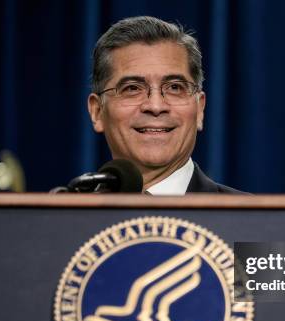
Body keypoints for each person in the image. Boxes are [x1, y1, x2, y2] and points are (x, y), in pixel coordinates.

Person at [87, 16, 242, 194]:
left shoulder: (251, 220)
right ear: (97, 112)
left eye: (175, 87)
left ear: (200, 109)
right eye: (132, 88)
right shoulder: (68, 219)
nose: (155, 106)